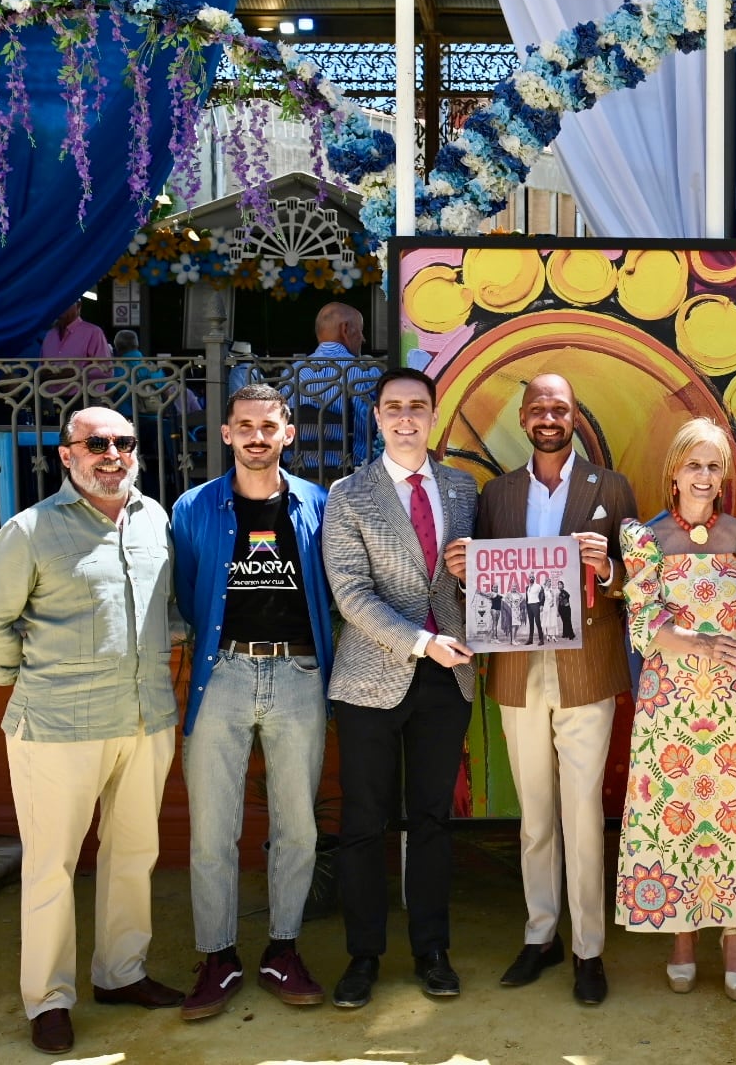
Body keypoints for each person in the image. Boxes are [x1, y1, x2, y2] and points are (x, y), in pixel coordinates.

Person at [0, 407, 182, 1054]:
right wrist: (28, 681)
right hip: (59, 727)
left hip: (145, 719)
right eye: (96, 443)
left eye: (124, 442)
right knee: (53, 867)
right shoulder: (29, 531)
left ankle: (120, 973)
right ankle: (50, 998)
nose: (112, 453)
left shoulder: (155, 520)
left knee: (135, 854)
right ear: (67, 455)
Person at [450, 372, 637, 1006]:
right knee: (535, 814)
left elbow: (636, 583)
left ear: (575, 415)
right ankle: (540, 934)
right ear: (525, 418)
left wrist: (606, 565)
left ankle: (589, 948)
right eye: (538, 408)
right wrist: (466, 571)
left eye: (560, 407)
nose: (549, 417)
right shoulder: (497, 494)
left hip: (588, 667)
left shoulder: (611, 488)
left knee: (582, 814)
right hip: (517, 669)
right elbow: (487, 588)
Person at [170, 384, 334, 1021]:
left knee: (298, 824)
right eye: (246, 426)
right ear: (227, 434)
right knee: (213, 826)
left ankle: (282, 949)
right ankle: (218, 955)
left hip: (298, 672)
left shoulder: (317, 503)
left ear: (287, 434)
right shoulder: (194, 507)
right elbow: (189, 590)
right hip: (224, 672)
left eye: (269, 426)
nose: (258, 437)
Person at [321, 368, 477, 1009]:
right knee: (363, 823)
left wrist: (473, 577)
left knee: (433, 821)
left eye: (418, 406)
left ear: (433, 415)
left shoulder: (464, 488)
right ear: (378, 418)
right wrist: (420, 641)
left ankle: (432, 951)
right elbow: (351, 593)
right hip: (372, 678)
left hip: (449, 680)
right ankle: (363, 956)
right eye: (394, 408)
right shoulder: (348, 494)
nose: (406, 417)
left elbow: (482, 578)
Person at [617, 417, 736, 999]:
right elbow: (641, 621)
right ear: (674, 472)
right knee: (673, 815)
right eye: (694, 465)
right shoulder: (643, 537)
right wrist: (700, 643)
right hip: (669, 704)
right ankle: (680, 935)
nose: (704, 477)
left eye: (714, 466)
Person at [287, 302, 383, 470]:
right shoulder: (367, 372)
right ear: (345, 329)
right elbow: (383, 425)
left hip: (298, 475)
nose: (363, 338)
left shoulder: (292, 373)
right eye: (361, 330)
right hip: (354, 476)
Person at [40, 300, 112, 404]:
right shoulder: (50, 335)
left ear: (78, 306)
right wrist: (44, 372)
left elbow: (106, 369)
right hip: (51, 399)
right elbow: (41, 366)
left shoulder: (93, 332)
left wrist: (76, 372)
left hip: (84, 399)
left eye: (65, 303)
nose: (60, 308)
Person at [526, 572, 548, 646]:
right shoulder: (527, 587)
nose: (531, 578)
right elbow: (527, 598)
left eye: (532, 577)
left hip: (536, 605)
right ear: (529, 578)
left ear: (534, 578)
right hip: (529, 606)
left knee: (537, 622)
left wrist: (541, 605)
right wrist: (527, 606)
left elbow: (543, 595)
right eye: (530, 577)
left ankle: (541, 640)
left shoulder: (538, 586)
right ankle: (530, 640)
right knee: (531, 623)